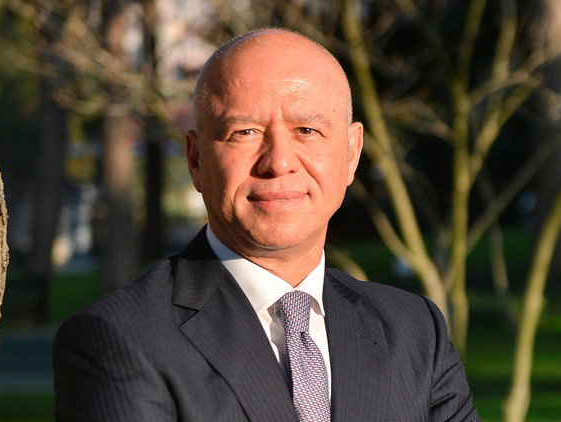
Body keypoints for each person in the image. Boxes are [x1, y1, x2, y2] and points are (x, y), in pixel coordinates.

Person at [53, 27, 480, 421]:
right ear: (196, 160)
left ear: (351, 154)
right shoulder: (120, 340)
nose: (278, 161)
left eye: (307, 130)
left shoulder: (415, 332)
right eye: (245, 132)